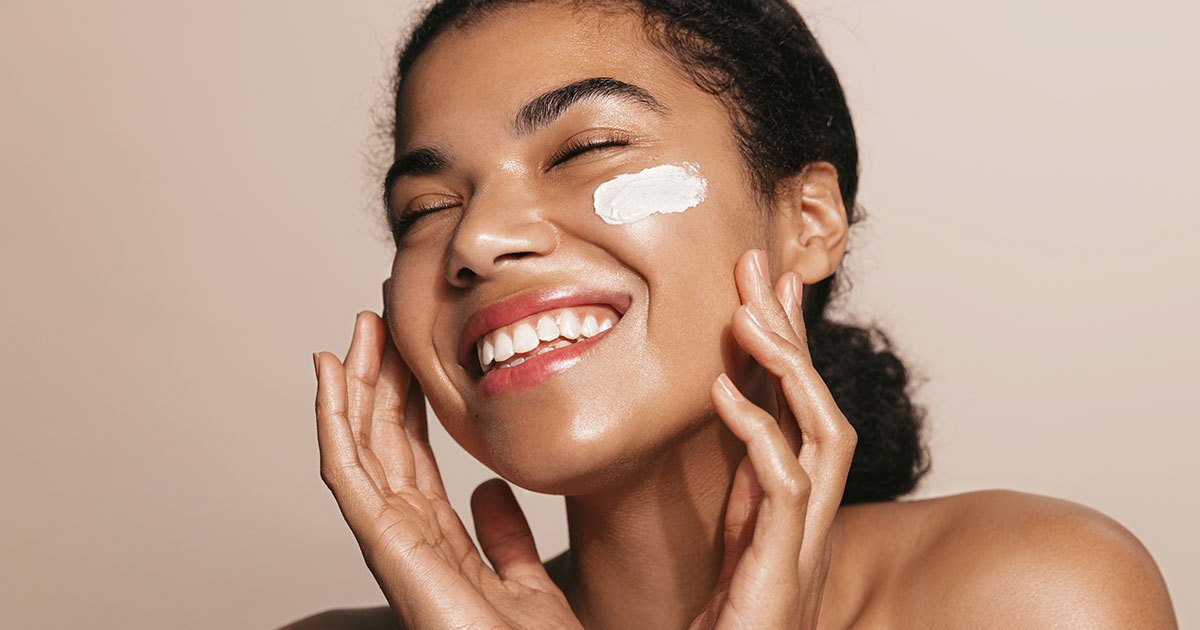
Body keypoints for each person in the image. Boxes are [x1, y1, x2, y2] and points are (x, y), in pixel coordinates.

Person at [287, 1, 1178, 627]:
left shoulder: (1030, 597)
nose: (476, 239)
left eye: (589, 147)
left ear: (808, 223)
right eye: (425, 209)